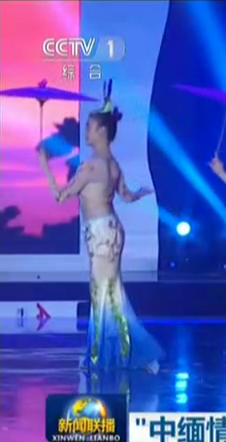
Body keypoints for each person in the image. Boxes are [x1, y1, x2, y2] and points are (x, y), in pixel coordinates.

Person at [38, 80, 163, 373]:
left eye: (90, 127)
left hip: (101, 234)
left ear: (102, 132)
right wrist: (141, 193)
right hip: (111, 230)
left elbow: (61, 197)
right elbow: (127, 196)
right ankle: (124, 353)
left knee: (103, 293)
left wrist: (45, 165)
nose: (87, 131)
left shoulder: (91, 166)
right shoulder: (113, 164)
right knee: (112, 292)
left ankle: (108, 356)